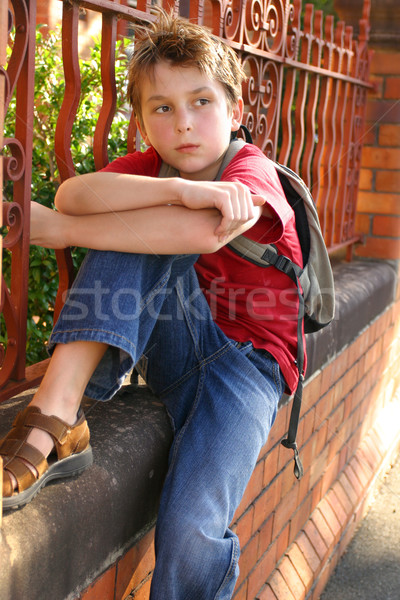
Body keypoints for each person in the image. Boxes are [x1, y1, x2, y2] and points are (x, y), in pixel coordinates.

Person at [1, 9, 305, 599]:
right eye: (161, 108)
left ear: (235, 111)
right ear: (142, 121)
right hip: (175, 347)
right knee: (133, 219)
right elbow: (75, 192)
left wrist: (61, 231)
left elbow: (194, 234)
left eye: (201, 102)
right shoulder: (160, 171)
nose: (183, 124)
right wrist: (177, 187)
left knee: (192, 530)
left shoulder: (252, 171)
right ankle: (54, 417)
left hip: (246, 371)